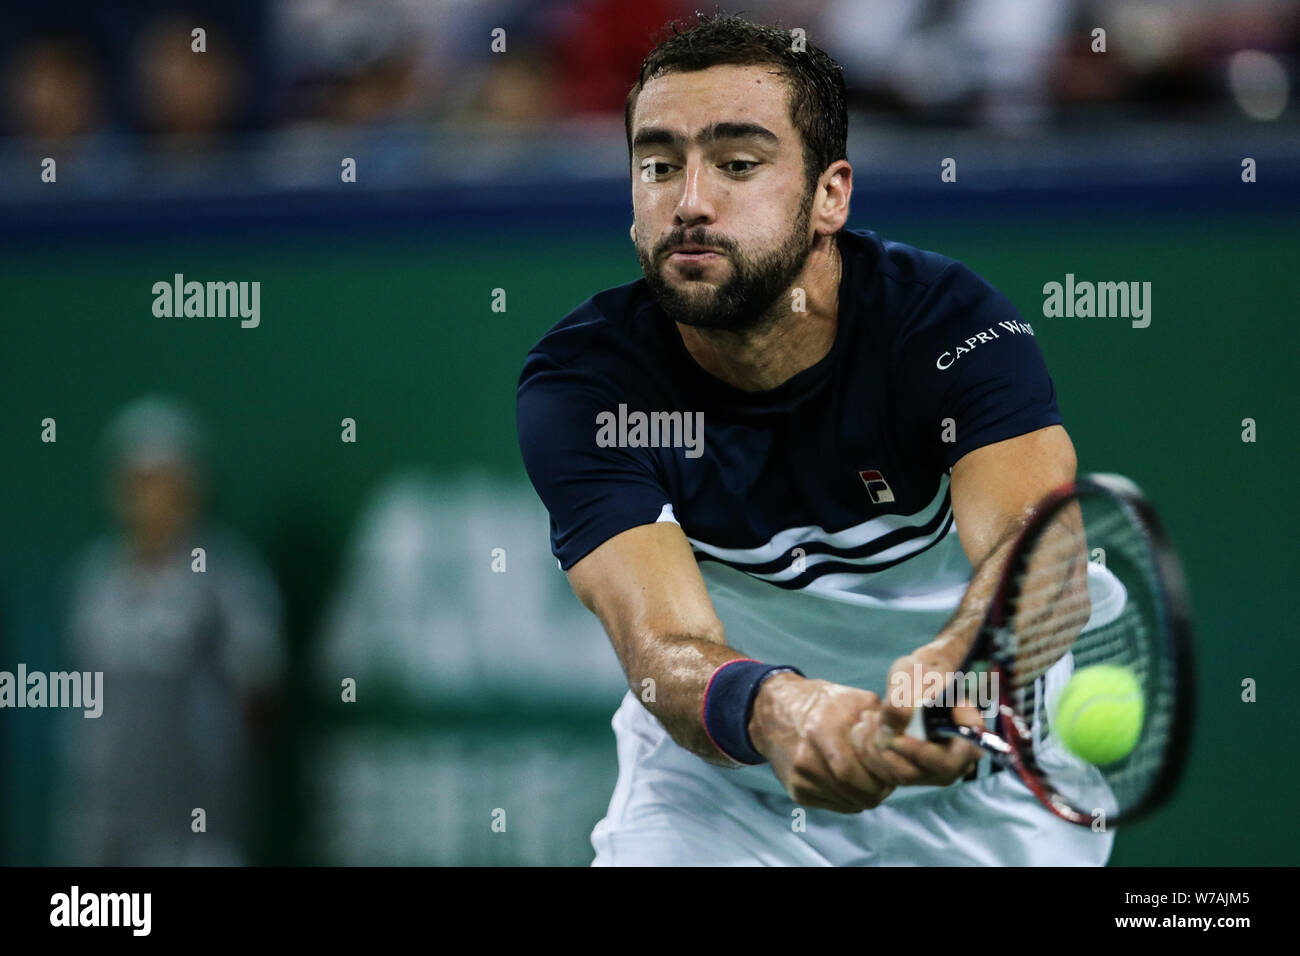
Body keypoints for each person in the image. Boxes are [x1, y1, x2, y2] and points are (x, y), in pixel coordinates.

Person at [516, 12, 1109, 865]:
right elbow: (664, 651)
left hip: (991, 771)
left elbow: (1039, 555)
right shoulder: (585, 386)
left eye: (738, 164)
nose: (689, 201)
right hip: (727, 791)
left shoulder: (946, 324)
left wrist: (961, 666)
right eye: (658, 164)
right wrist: (782, 712)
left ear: (830, 195)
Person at [54, 395, 283, 865]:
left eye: (164, 481)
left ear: (192, 486)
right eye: (137, 482)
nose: (151, 497)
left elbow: (261, 694)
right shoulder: (92, 579)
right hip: (101, 827)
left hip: (194, 829)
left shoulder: (230, 579)